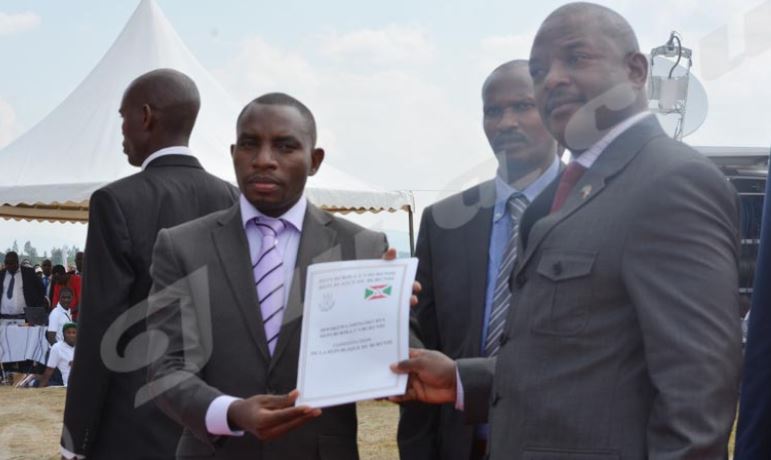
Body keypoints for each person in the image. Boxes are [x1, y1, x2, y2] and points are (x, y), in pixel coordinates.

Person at [393, 3, 742, 459]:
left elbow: (697, 391)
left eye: (576, 59)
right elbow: (573, 364)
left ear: (636, 70)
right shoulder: (558, 198)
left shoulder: (671, 181)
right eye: (540, 70)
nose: (552, 79)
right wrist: (459, 379)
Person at [146, 92, 388, 459]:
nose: (263, 160)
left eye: (285, 146)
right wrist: (229, 412)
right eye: (249, 144)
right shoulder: (182, 247)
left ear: (315, 160)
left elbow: (388, 366)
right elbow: (164, 367)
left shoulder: (363, 248)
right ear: (233, 153)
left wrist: (391, 319)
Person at [61, 68, 239, 460]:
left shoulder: (116, 202)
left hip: (133, 423)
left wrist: (75, 437)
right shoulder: (233, 199)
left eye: (122, 117)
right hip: (215, 421)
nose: (121, 131)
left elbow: (99, 327)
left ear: (145, 116)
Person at [397, 60, 560, 460]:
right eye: (493, 111)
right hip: (459, 445)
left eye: (524, 106)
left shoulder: (597, 210)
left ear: (556, 112)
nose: (507, 122)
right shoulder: (443, 221)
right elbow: (422, 334)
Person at [0, 251, 47, 322]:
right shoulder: (2, 274)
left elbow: (41, 289)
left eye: (11, 263)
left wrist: (36, 307)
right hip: (3, 317)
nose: (8, 266)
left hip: (23, 316)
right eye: (6, 263)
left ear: (17, 262)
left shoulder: (28, 272)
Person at [39, 322, 77, 387]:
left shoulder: (82, 346)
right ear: (63, 334)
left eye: (74, 333)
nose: (71, 335)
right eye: (68, 333)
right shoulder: (57, 347)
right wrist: (41, 388)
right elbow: (50, 369)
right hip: (69, 386)